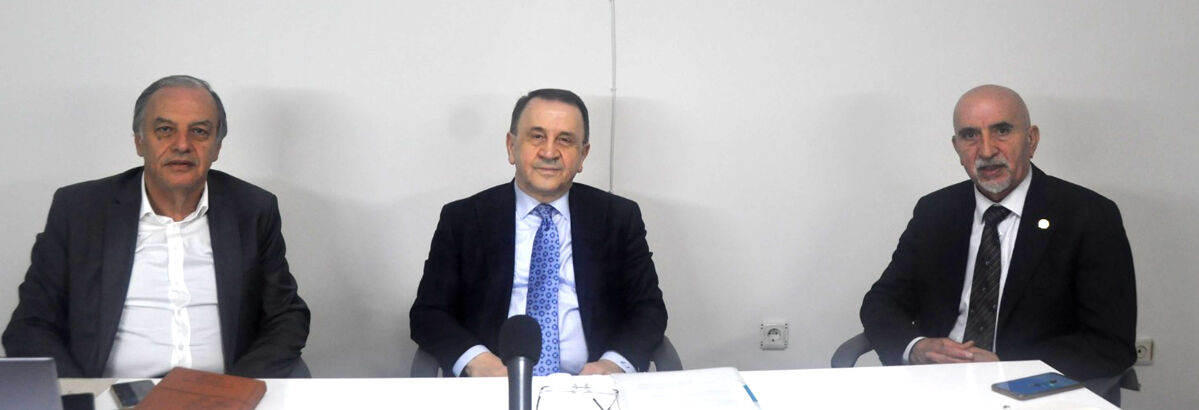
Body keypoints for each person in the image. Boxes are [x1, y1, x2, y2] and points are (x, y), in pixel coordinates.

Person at [2, 75, 311, 378]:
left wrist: (236, 390)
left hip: (223, 391)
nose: (182, 145)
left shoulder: (252, 209)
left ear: (217, 147)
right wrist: (81, 396)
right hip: (114, 394)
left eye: (199, 131)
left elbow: (287, 316)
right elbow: (30, 325)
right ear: (139, 142)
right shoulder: (80, 210)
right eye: (165, 130)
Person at [860, 85, 1136, 381]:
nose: (987, 151)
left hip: (1032, 387)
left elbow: (1110, 343)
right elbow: (882, 302)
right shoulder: (936, 211)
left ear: (1031, 140)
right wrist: (916, 348)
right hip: (937, 382)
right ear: (956, 148)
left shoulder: (1088, 215)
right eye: (970, 135)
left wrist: (1004, 364)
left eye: (1002, 131)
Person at [410, 88, 668, 377]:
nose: (549, 152)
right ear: (511, 147)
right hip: (492, 385)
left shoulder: (618, 218)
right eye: (537, 136)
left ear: (582, 155)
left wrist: (612, 364)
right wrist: (477, 360)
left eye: (565, 140)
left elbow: (649, 310)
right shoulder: (464, 219)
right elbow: (428, 313)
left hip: (592, 388)